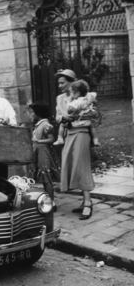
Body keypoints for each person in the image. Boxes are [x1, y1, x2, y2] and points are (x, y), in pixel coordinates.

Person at [60, 80, 96, 221]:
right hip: (69, 134)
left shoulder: (85, 100)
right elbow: (59, 115)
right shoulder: (62, 99)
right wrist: (63, 117)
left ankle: (88, 203)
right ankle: (84, 201)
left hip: (81, 133)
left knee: (82, 166)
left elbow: (92, 115)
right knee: (73, 166)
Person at [28, 101, 60, 210]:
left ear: (38, 113)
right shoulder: (39, 124)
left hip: (44, 153)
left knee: (47, 178)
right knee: (44, 178)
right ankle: (47, 200)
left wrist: (39, 141)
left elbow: (52, 139)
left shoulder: (45, 125)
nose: (31, 114)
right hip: (39, 152)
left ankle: (51, 202)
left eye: (32, 112)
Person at [54, 80, 100, 146]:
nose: (71, 95)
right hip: (87, 122)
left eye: (71, 93)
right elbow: (94, 99)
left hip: (77, 123)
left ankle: (60, 138)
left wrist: (69, 105)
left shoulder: (77, 102)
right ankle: (95, 139)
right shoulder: (88, 98)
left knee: (62, 124)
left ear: (77, 93)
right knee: (91, 126)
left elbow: (70, 110)